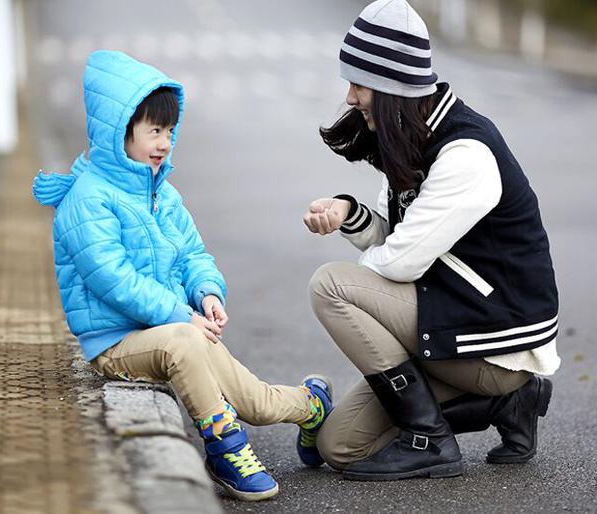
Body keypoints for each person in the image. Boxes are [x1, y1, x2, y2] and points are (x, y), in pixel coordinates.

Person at [32, 50, 333, 501]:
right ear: (119, 132)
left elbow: (192, 253)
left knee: (253, 398)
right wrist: (180, 314)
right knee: (187, 342)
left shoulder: (162, 194)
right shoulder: (88, 200)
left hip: (173, 327)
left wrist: (206, 292)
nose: (164, 142)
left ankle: (311, 405)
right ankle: (225, 450)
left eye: (169, 131)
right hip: (118, 342)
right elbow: (111, 278)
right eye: (154, 130)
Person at [303, 0, 559, 481]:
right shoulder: (415, 133)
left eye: (358, 84)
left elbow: (399, 265)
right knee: (340, 446)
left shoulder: (465, 151)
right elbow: (401, 242)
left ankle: (432, 441)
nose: (351, 97)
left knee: (331, 285)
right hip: (449, 318)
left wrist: (369, 292)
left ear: (389, 87)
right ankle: (508, 403)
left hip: (490, 340)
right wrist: (350, 214)